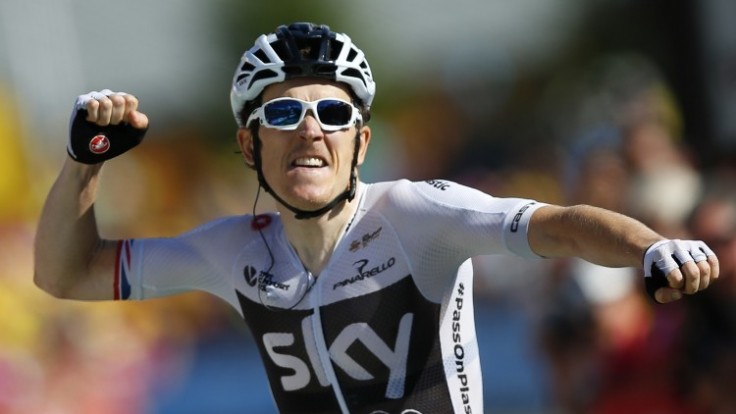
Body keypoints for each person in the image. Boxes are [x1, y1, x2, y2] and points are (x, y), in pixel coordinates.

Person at [34, 22, 719, 414]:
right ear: (249, 145)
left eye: (333, 113)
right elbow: (66, 274)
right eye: (283, 113)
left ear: (361, 143)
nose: (310, 130)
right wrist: (85, 163)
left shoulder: (419, 214)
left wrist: (652, 247)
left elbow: (562, 223)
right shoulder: (230, 252)